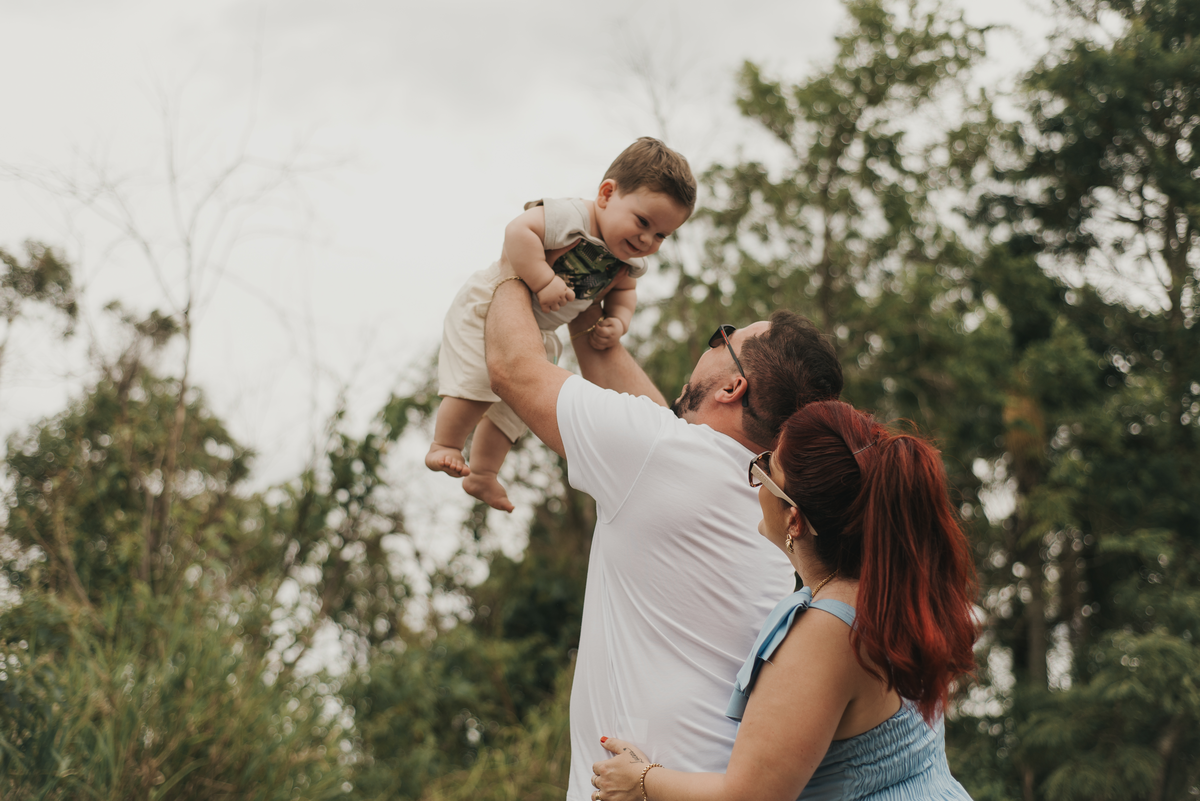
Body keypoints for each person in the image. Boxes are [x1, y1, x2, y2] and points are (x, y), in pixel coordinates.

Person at [485, 272, 844, 801]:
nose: (716, 340)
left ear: (731, 386)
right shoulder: (758, 491)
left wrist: (519, 263)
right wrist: (590, 309)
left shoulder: (660, 456)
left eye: (725, 337)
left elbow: (511, 367)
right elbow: (655, 427)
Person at [589, 400, 979, 801]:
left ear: (794, 519)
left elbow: (750, 796)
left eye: (765, 469)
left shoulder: (827, 633)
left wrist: (640, 780)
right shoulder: (894, 590)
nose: (754, 481)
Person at [425, 137, 695, 513]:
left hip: (540, 331)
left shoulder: (627, 262)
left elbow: (624, 293)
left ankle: (483, 472)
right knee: (476, 384)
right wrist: (542, 279)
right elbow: (519, 231)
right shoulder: (572, 218)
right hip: (489, 306)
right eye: (643, 222)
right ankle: (445, 444)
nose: (647, 239)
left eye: (662, 235)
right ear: (606, 194)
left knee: (517, 406)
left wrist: (618, 321)